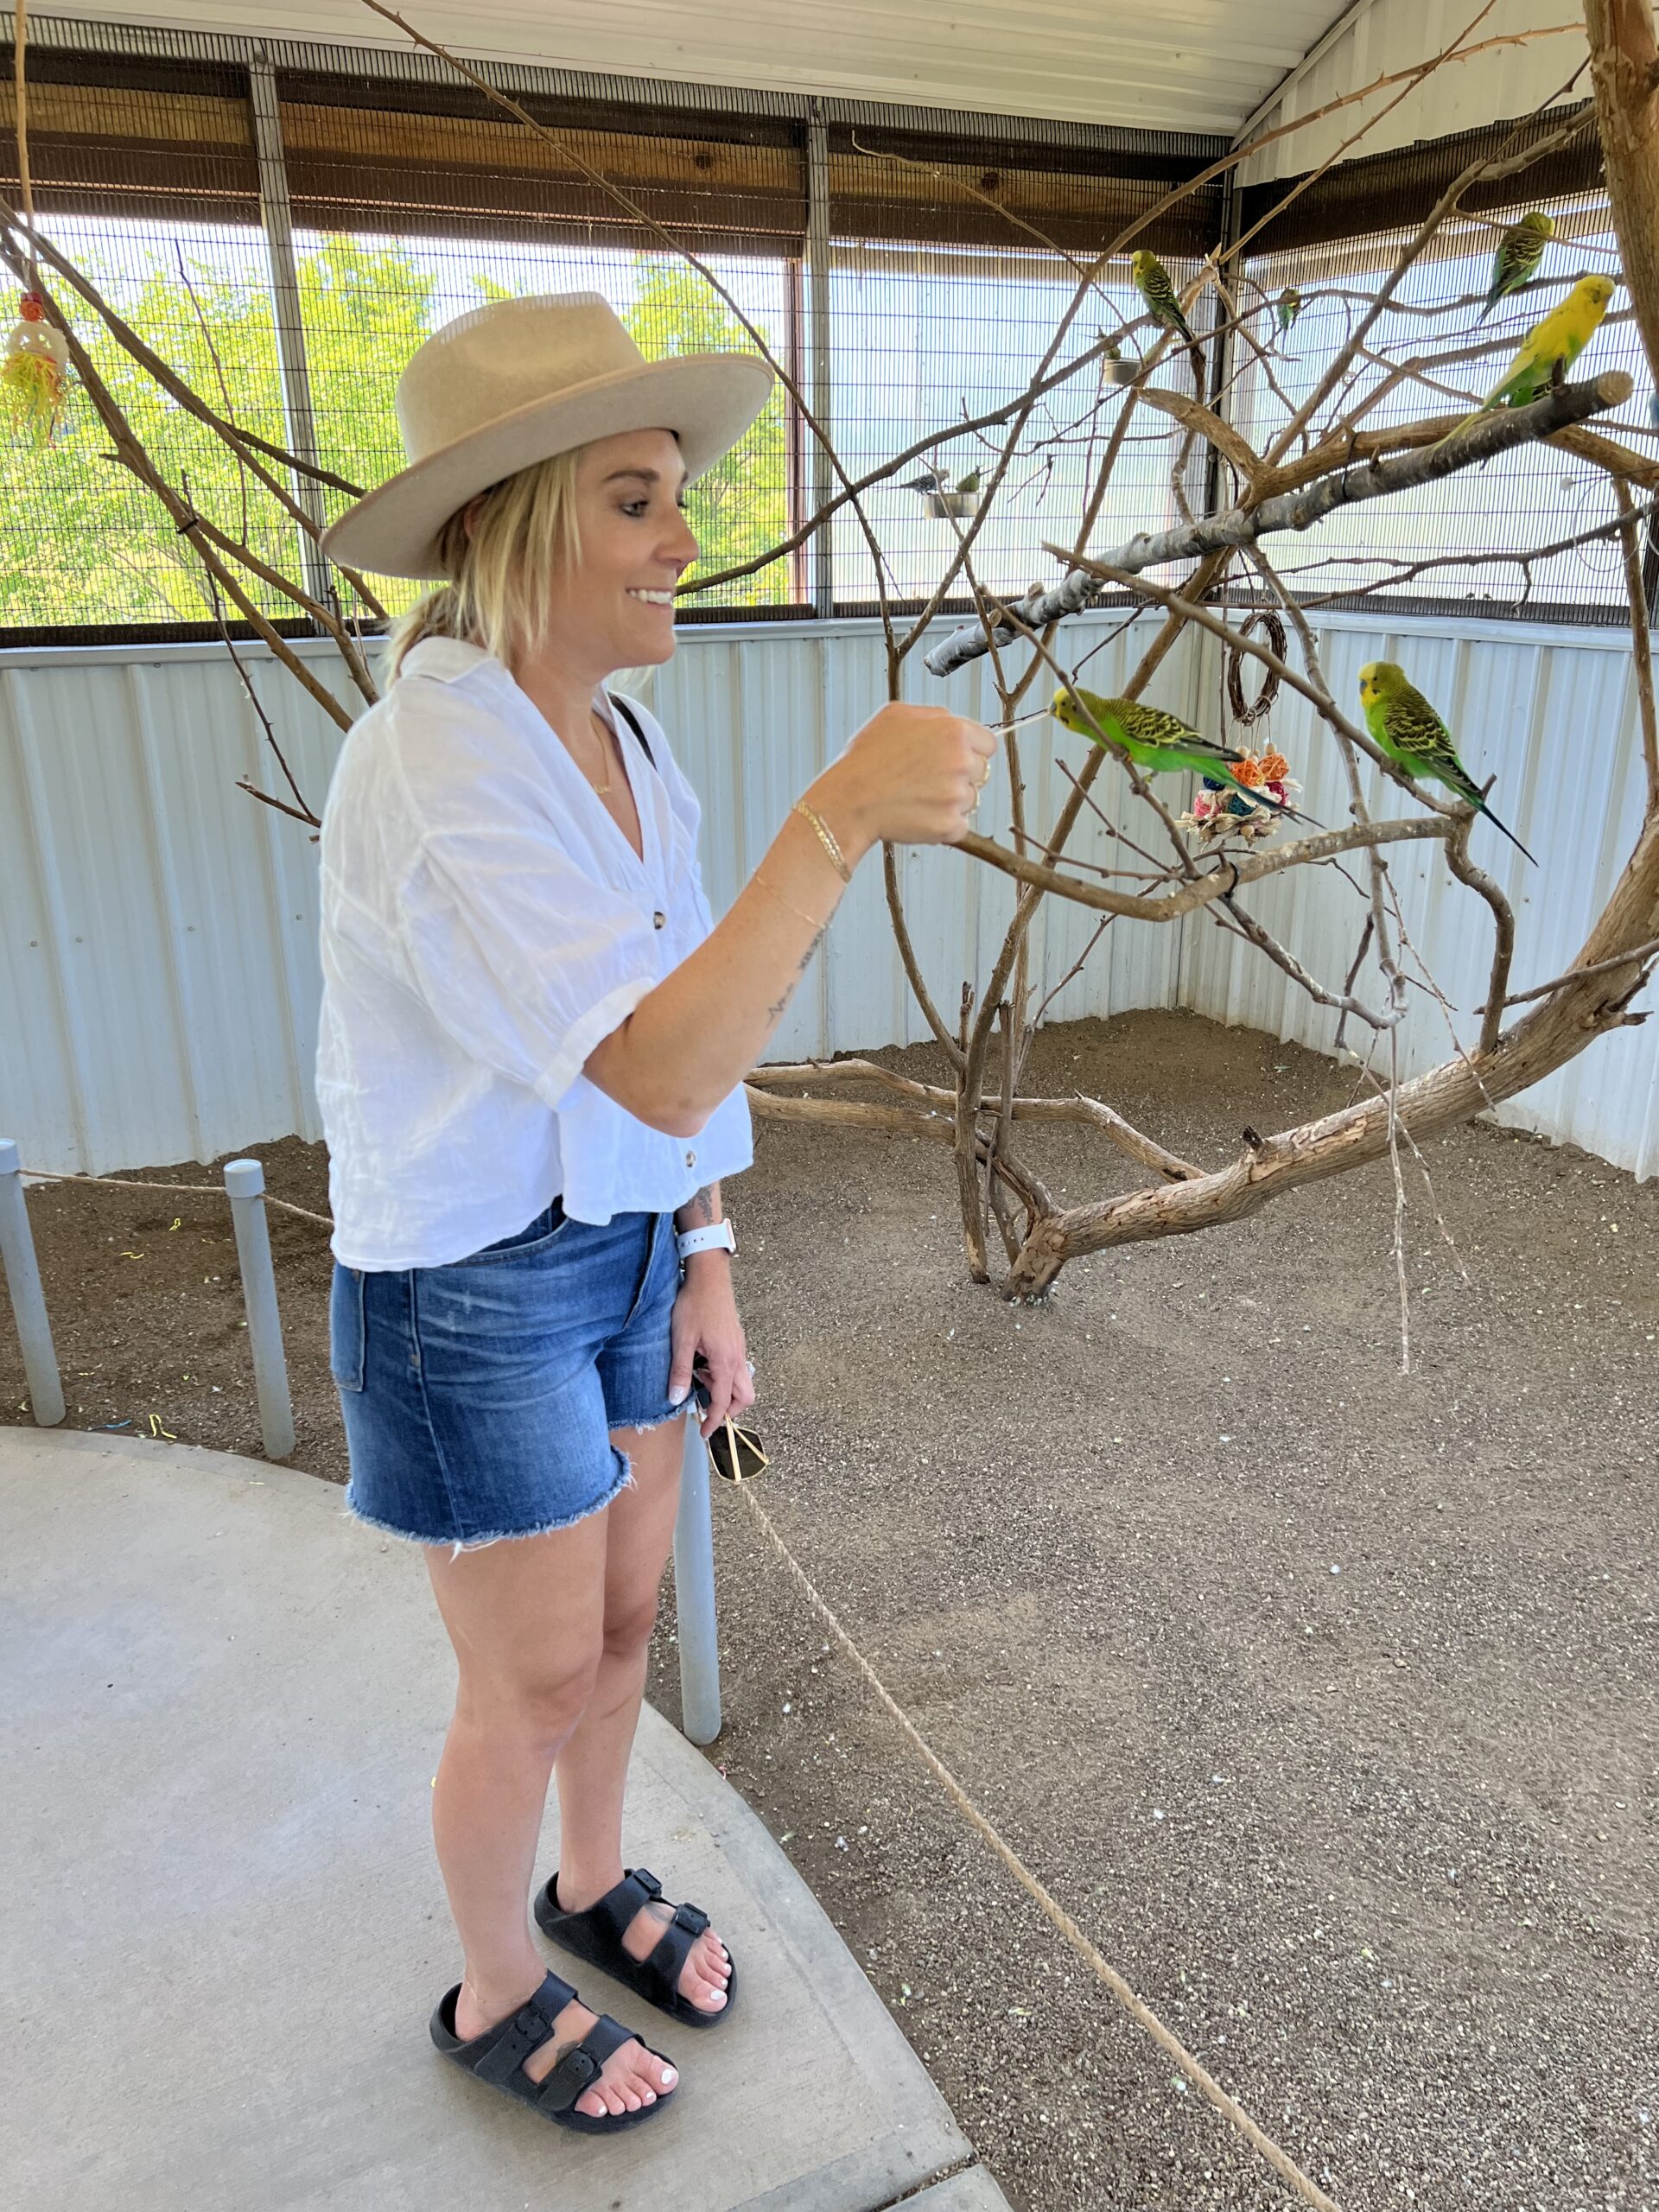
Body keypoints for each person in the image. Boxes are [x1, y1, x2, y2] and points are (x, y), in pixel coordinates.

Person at [314, 291, 994, 2138]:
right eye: (634, 498)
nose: (684, 537)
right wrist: (837, 825)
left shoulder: (625, 741)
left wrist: (704, 1253)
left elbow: (680, 1010)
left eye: (673, 494)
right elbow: (654, 1060)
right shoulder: (440, 762)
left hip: (619, 1245)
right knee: (527, 1671)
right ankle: (497, 1984)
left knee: (623, 1621)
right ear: (507, 525)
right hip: (468, 1285)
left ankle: (590, 1878)